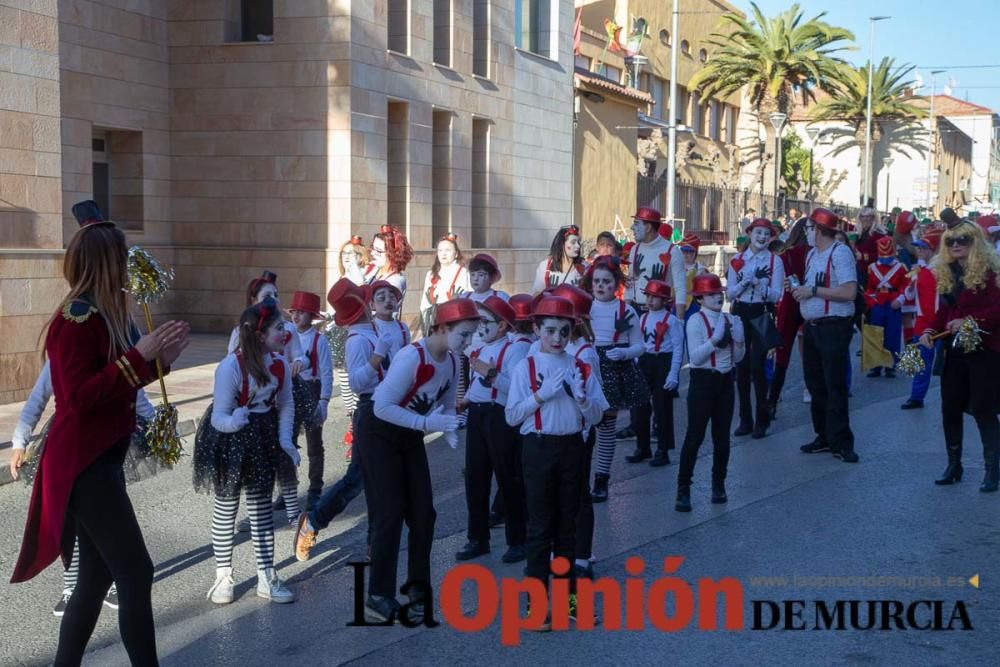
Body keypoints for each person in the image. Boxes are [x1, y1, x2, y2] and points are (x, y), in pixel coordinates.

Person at [12, 201, 191, 665]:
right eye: (122, 256)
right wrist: (139, 358)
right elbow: (77, 399)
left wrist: (156, 361)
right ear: (106, 262)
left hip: (99, 461)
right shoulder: (75, 320)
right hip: (82, 466)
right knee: (136, 572)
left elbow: (114, 384)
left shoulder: (103, 315)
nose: (129, 265)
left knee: (94, 580)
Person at [363, 298, 481, 622]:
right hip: (379, 434)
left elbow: (442, 404)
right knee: (389, 513)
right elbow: (381, 406)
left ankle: (418, 587)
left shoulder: (454, 362)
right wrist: (427, 424)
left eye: (472, 336)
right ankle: (377, 595)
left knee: (423, 513)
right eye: (464, 335)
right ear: (442, 328)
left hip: (409, 434)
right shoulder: (411, 357)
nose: (468, 343)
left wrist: (448, 428)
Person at [505, 296, 607, 626]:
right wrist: (541, 395)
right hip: (537, 448)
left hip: (571, 449)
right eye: (550, 330)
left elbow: (597, 415)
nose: (558, 338)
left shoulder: (580, 365)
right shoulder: (526, 367)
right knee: (539, 528)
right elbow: (511, 416)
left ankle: (570, 600)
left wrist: (582, 399)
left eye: (564, 330)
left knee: (569, 527)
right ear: (535, 329)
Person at [194, 299, 299, 606]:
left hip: (264, 434)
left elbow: (286, 404)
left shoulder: (279, 364)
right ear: (260, 334)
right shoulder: (231, 367)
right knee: (226, 506)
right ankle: (223, 574)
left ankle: (266, 574)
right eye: (279, 327)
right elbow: (218, 417)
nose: (285, 331)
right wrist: (233, 421)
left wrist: (286, 441)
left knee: (261, 509)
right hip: (231, 438)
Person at [293, 279, 402, 563]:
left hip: (390, 410)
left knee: (383, 483)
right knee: (357, 481)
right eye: (371, 297)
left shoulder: (377, 328)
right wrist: (378, 357)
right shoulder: (357, 339)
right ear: (364, 305)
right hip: (371, 412)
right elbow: (355, 384)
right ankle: (313, 523)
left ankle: (374, 542)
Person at [919, 221, 1000, 491]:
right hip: (954, 350)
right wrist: (931, 330)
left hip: (985, 350)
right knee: (950, 406)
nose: (956, 245)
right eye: (951, 241)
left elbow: (997, 311)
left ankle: (992, 471)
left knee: (982, 408)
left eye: (962, 240)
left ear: (974, 241)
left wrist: (969, 321)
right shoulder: (948, 272)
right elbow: (944, 312)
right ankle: (954, 465)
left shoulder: (991, 273)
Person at [229, 273, 307, 528]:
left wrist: (297, 362)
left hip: (283, 397)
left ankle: (294, 513)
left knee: (285, 453)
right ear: (253, 301)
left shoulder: (288, 328)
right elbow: (230, 361)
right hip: (254, 405)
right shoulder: (242, 330)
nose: (273, 300)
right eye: (266, 297)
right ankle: (256, 513)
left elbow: (301, 356)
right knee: (256, 463)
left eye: (276, 295)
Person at [457, 296, 529, 563]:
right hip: (477, 415)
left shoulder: (514, 351)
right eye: (478, 321)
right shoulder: (482, 348)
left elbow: (516, 390)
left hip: (500, 417)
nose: (479, 328)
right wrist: (465, 401)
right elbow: (478, 382)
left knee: (508, 478)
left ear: (501, 326)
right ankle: (477, 538)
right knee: (475, 478)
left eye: (485, 322)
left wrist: (491, 374)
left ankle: (518, 539)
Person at [792, 207, 860, 463]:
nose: (807, 233)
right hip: (812, 326)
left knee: (834, 384)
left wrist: (813, 291)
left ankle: (842, 441)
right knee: (815, 383)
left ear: (818, 230)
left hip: (833, 326)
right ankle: (823, 434)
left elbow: (848, 292)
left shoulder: (839, 253)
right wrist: (801, 291)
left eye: (809, 228)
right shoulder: (812, 255)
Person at [675, 274, 745, 511]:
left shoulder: (731, 318)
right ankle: (683, 489)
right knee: (694, 436)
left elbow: (738, 358)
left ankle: (719, 485)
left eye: (719, 292)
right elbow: (694, 358)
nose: (717, 296)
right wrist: (716, 339)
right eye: (711, 294)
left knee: (722, 437)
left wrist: (740, 342)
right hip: (703, 381)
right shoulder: (695, 321)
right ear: (701, 298)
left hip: (725, 381)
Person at [583, 257, 648, 502]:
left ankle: (602, 480)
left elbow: (640, 346)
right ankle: (581, 478)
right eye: (596, 281)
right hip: (588, 369)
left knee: (606, 429)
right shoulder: (584, 309)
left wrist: (625, 353)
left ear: (616, 284)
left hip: (614, 370)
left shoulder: (626, 310)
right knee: (585, 427)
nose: (600, 286)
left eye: (606, 282)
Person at [727, 218, 785, 438]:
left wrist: (761, 286)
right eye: (758, 232)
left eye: (766, 234)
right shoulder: (737, 259)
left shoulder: (774, 262)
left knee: (758, 367)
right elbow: (730, 293)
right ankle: (745, 419)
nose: (761, 237)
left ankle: (763, 419)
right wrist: (743, 283)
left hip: (761, 313)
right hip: (740, 313)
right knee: (741, 367)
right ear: (749, 233)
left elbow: (777, 295)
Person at [628, 280, 683, 466]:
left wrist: (673, 373)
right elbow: (638, 343)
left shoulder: (672, 321)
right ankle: (642, 447)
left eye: (656, 297)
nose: (650, 300)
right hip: (645, 362)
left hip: (663, 362)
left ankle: (663, 449)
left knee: (662, 409)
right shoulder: (642, 318)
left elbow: (677, 348)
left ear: (665, 300)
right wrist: (635, 364)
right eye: (648, 296)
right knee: (640, 408)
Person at [288, 291, 333, 510]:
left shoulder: (319, 340)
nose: (296, 316)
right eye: (294, 311)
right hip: (291, 391)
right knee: (288, 440)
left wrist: (324, 400)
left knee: (314, 444)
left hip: (312, 390)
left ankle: (315, 489)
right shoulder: (286, 336)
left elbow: (326, 371)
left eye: (302, 312)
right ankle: (288, 488)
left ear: (312, 316)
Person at [331, 236, 371, 458]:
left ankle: (355, 423)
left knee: (351, 377)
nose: (347, 258)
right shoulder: (343, 276)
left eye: (352, 254)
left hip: (354, 329)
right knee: (343, 377)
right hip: (340, 328)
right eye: (344, 254)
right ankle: (352, 418)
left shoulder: (358, 275)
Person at [768, 217, 810, 414]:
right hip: (809, 304)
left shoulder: (786, 255)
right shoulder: (814, 254)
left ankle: (772, 404)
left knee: (782, 357)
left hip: (790, 305)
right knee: (813, 356)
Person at [901, 230, 943, 410]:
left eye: (923, 248)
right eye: (918, 248)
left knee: (949, 365)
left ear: (932, 250)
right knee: (921, 362)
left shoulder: (941, 271)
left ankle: (958, 398)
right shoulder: (917, 270)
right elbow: (909, 295)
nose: (919, 251)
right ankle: (917, 397)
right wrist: (910, 286)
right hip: (922, 322)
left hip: (940, 323)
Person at [626, 207, 687, 319]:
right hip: (635, 312)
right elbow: (630, 283)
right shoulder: (635, 249)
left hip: (660, 314)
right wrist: (625, 311)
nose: (632, 228)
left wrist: (680, 321)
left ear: (648, 227)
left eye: (636, 223)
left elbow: (680, 288)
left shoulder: (673, 251)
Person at [863, 237, 907, 378]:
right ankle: (875, 366)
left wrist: (900, 300)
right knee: (875, 333)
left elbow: (904, 287)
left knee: (892, 334)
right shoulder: (872, 268)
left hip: (892, 302)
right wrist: (871, 301)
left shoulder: (900, 268)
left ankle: (890, 365)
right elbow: (869, 288)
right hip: (877, 303)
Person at [420, 232, 471, 321]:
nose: (443, 254)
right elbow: (424, 303)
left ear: (456, 254)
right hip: (435, 322)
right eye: (440, 250)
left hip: (457, 319)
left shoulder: (464, 272)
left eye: (448, 250)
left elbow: (471, 298)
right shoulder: (431, 274)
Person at [364, 224, 414, 302]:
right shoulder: (375, 270)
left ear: (393, 254)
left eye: (378, 251)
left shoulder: (395, 281)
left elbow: (382, 309)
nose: (372, 253)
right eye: (373, 248)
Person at [532, 226, 586, 293]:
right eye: (573, 242)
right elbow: (536, 294)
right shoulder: (545, 266)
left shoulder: (584, 267)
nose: (578, 246)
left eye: (579, 242)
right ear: (561, 245)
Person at [853, 207, 886, 284]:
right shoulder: (859, 232)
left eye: (868, 216)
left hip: (873, 272)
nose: (865, 219)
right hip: (859, 269)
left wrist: (863, 256)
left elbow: (883, 255)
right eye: (862, 216)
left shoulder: (879, 234)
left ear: (874, 218)